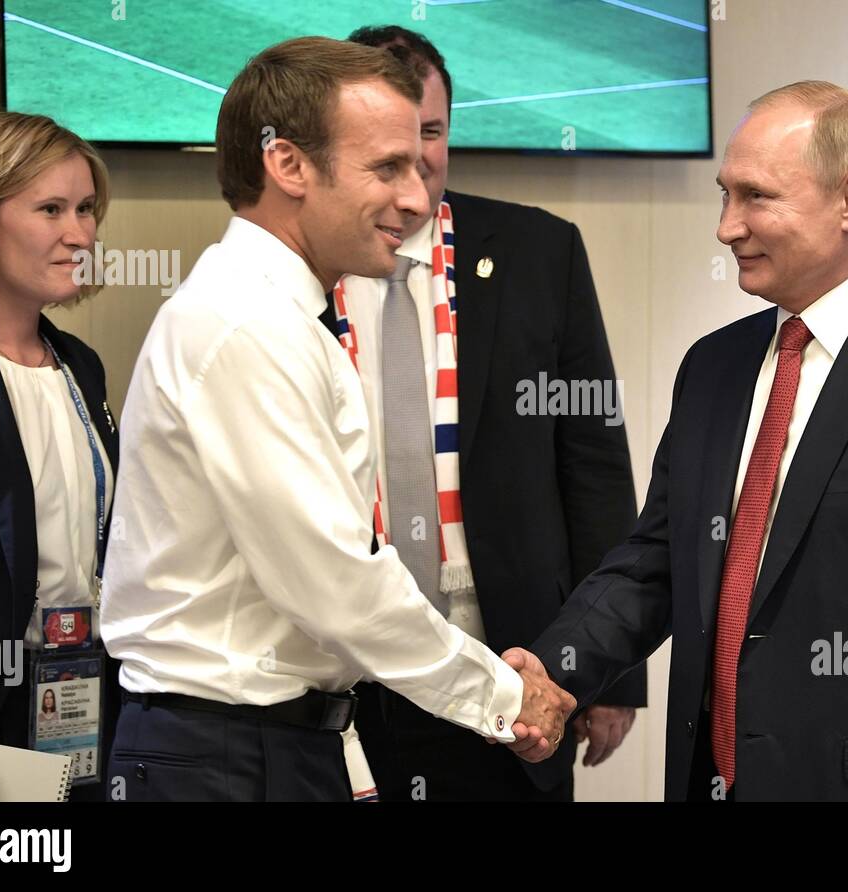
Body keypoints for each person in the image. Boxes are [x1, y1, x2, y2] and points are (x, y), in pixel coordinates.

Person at [513, 81, 848, 801]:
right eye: (724, 195)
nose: (726, 227)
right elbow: (656, 563)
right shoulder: (713, 366)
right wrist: (555, 672)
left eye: (756, 197)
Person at [100, 36, 574, 802]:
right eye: (386, 168)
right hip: (224, 754)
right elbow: (336, 582)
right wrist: (505, 696)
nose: (417, 200)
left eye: (418, 166)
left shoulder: (276, 315)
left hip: (266, 743)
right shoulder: (244, 324)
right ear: (288, 165)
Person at [338, 25, 643, 802]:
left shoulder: (542, 252)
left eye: (432, 131)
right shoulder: (299, 269)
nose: (418, 158)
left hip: (514, 677)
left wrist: (612, 673)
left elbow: (595, 466)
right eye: (390, 139)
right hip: (343, 686)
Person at [0, 112, 120, 801]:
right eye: (51, 209)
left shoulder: (81, 366)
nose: (80, 233)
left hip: (84, 708)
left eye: (87, 208)